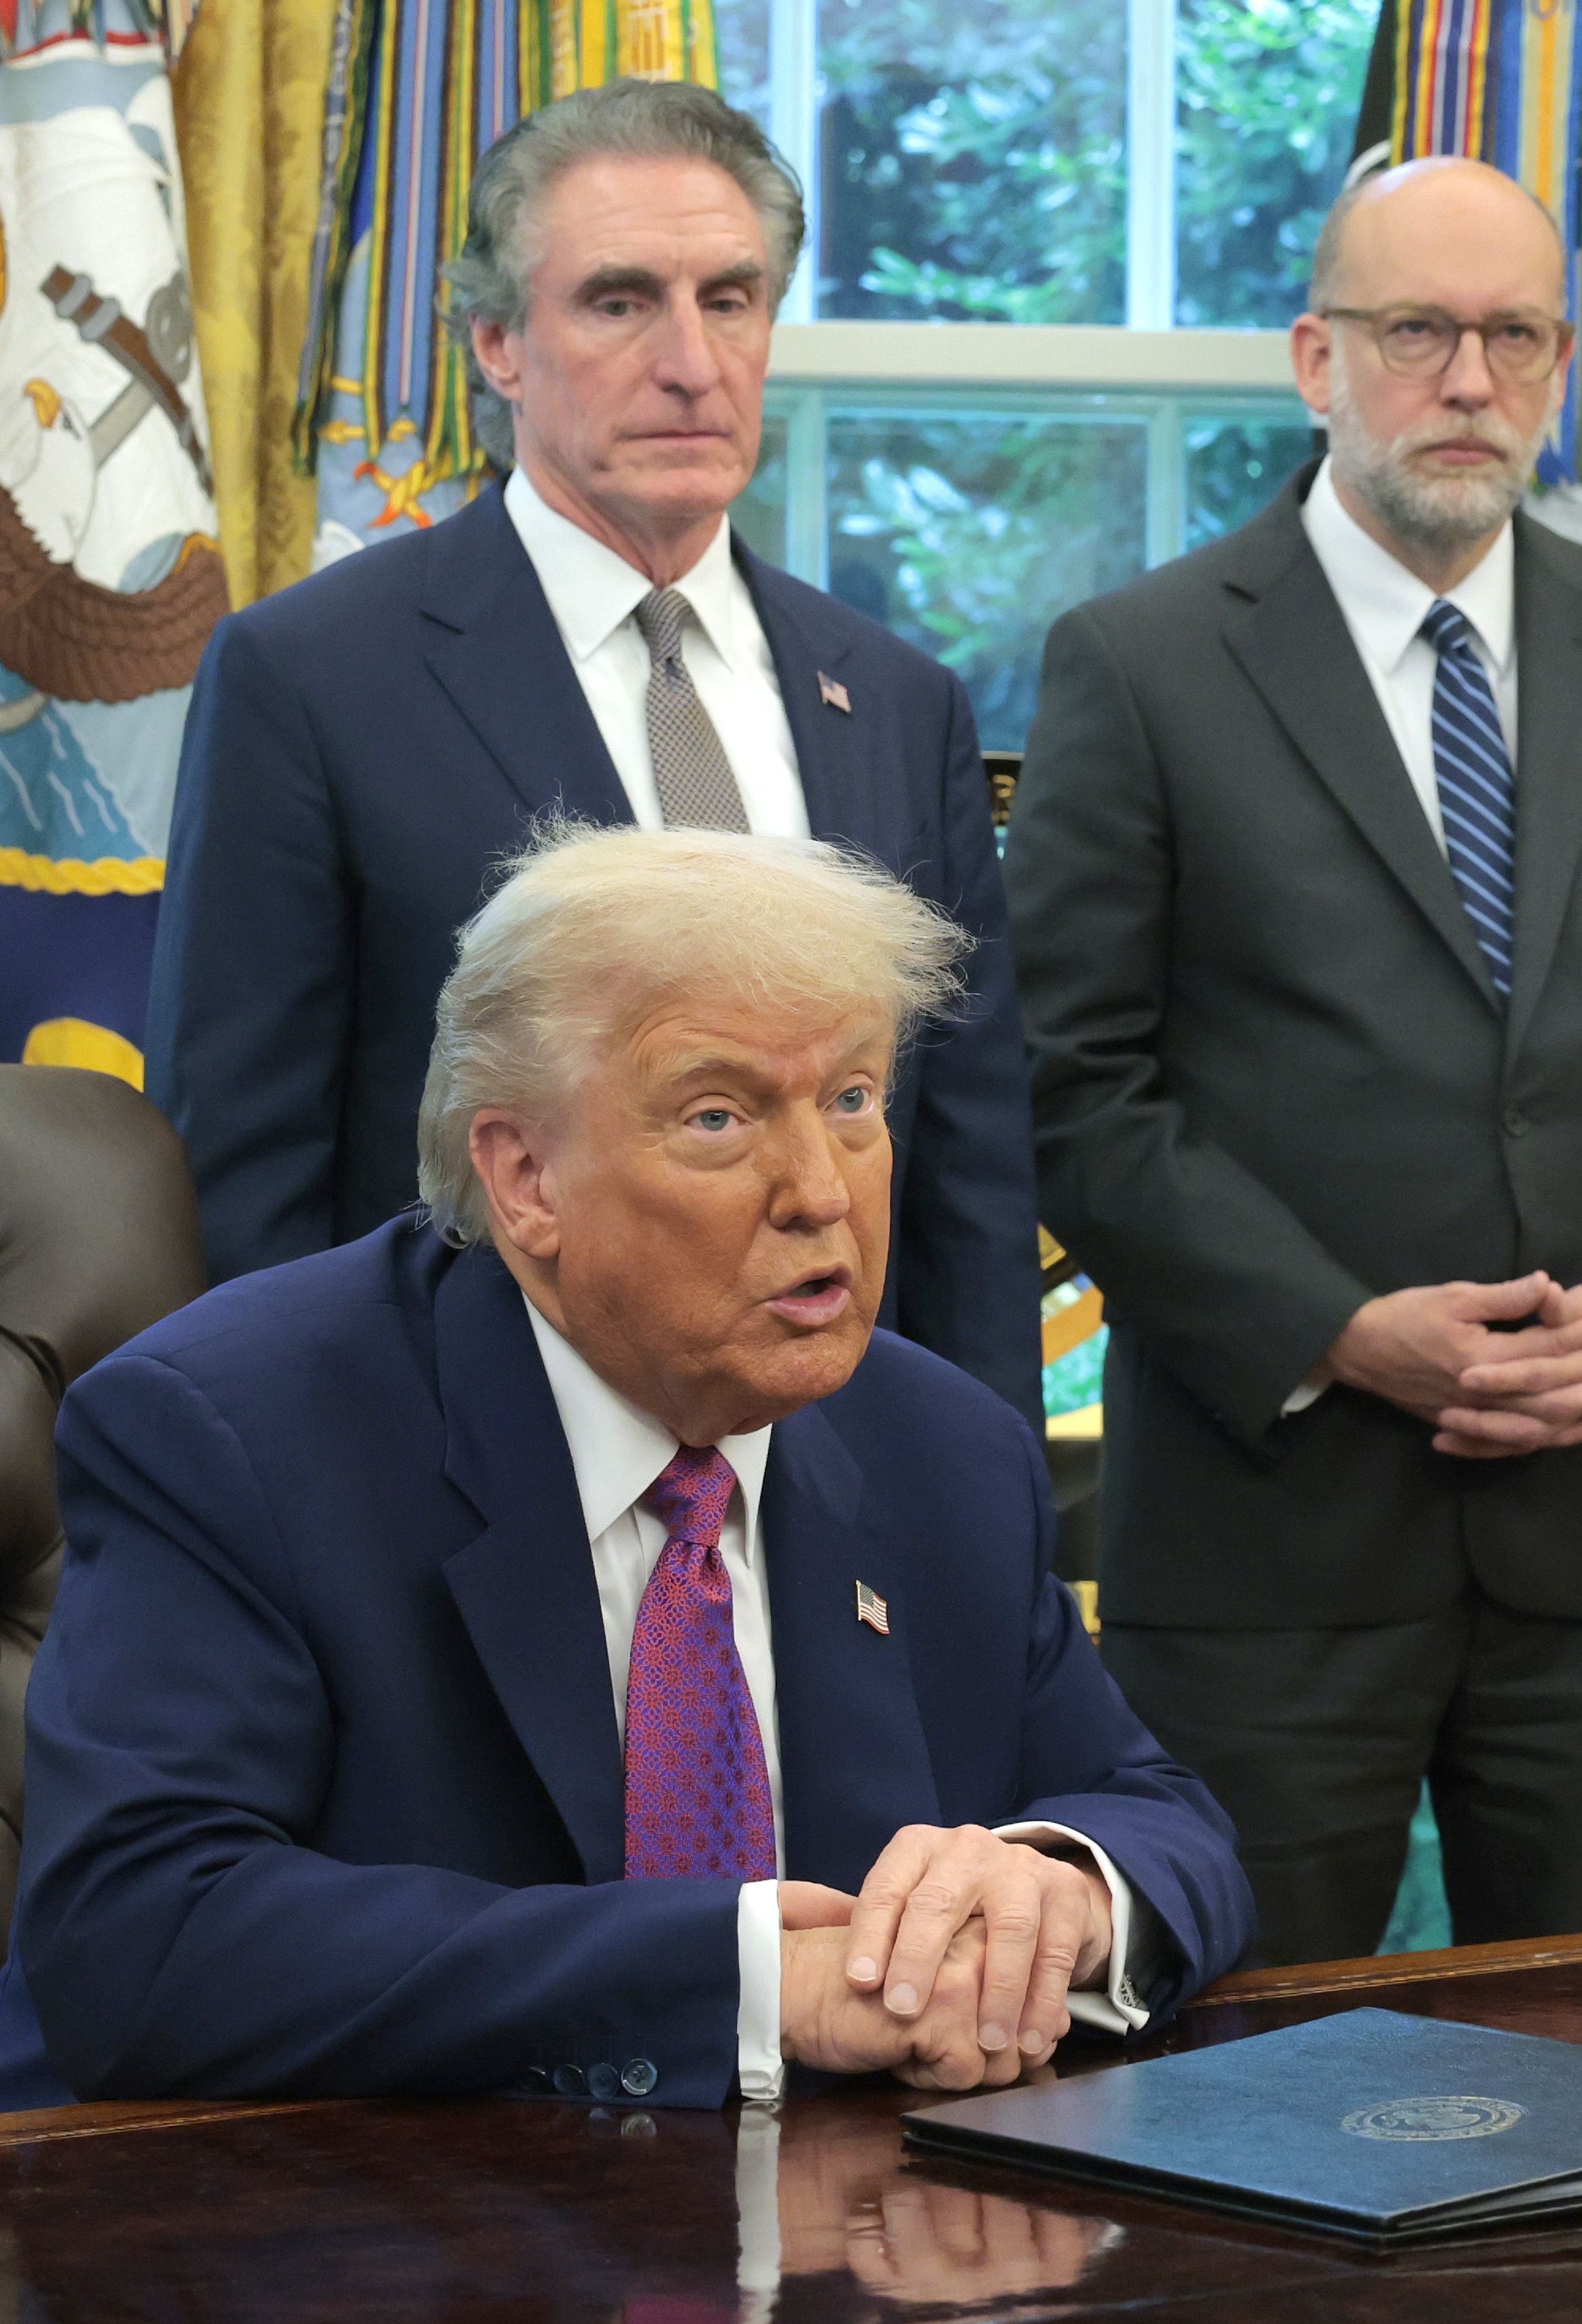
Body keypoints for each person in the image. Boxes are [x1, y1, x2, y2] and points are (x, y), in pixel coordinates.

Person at [0, 826, 1250, 2113]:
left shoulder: (942, 1449)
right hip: (258, 2251)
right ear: (524, 1178)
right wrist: (745, 1981)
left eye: (853, 1098)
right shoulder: (232, 1429)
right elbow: (143, 1937)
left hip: (811, 2251)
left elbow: (1160, 1814)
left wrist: (1062, 1891)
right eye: (718, 1115)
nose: (821, 1191)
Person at [1002, 157, 1582, 1968]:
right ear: (1315, 357)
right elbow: (1069, 1081)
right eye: (1417, 333)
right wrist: (1336, 1329)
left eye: (1514, 336)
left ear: (1557, 370)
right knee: (1232, 2095)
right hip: (1269, 1544)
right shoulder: (1140, 665)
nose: (1467, 380)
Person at [145, 80, 1040, 1424]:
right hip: (454, 1487)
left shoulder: (899, 699)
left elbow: (968, 1181)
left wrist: (986, 1526)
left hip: (837, 1505)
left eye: (730, 301)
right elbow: (243, 1174)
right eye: (621, 302)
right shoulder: (312, 677)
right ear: (498, 344)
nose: (690, 360)